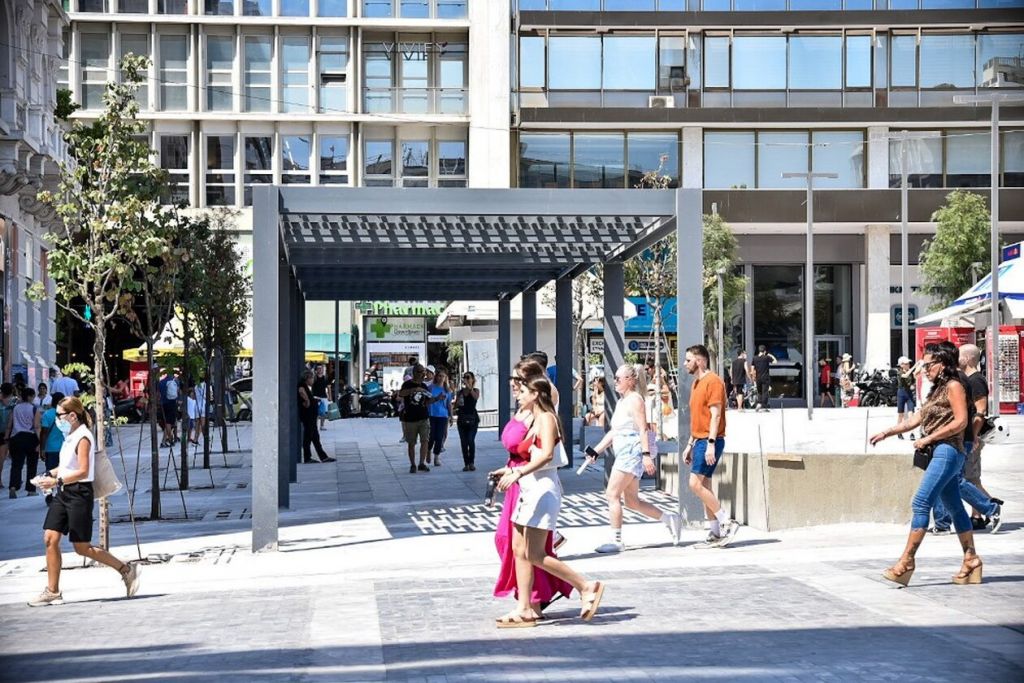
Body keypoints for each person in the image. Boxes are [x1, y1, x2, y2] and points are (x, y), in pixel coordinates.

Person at [491, 373, 605, 628]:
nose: (518, 395)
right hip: (528, 489)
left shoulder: (545, 418)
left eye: (523, 391)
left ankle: (585, 586)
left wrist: (517, 472)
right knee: (519, 550)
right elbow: (530, 456)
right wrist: (508, 470)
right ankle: (525, 608)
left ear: (535, 394)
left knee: (535, 553)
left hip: (541, 491)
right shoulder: (533, 418)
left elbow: (546, 456)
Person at [869, 343, 984, 587]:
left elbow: (961, 422)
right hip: (941, 451)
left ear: (942, 364)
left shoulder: (954, 386)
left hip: (948, 450)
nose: (924, 369)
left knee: (921, 502)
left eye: (928, 365)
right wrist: (887, 432)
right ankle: (971, 559)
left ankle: (906, 562)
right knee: (954, 507)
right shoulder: (937, 390)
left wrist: (929, 438)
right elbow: (915, 420)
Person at [27, 397, 140, 606]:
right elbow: (66, 466)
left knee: (82, 547)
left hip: (79, 494)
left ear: (72, 415)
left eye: (59, 415)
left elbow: (83, 471)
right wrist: (48, 475)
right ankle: (52, 591)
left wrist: (56, 481)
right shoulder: (70, 435)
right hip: (64, 492)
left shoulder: (83, 437)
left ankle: (126, 569)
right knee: (50, 538)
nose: (57, 419)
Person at [583, 364, 680, 553]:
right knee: (632, 501)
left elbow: (643, 429)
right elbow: (614, 432)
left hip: (631, 452)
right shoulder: (622, 401)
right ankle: (669, 519)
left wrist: (646, 455)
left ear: (630, 380)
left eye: (618, 379)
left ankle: (616, 540)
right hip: (625, 452)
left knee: (612, 494)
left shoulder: (635, 400)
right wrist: (596, 451)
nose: (614, 382)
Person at [931, 343, 1003, 534]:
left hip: (967, 438)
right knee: (954, 478)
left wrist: (974, 436)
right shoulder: (962, 379)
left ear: (968, 359)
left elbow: (980, 411)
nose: (956, 359)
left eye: (960, 356)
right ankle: (947, 521)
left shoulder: (975, 380)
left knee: (961, 478)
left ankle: (988, 509)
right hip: (960, 437)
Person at [682, 344, 739, 548]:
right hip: (700, 440)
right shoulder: (697, 383)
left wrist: (711, 444)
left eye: (688, 360)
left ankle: (726, 522)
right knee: (705, 486)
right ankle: (715, 532)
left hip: (709, 440)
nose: (685, 364)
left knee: (694, 484)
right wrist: (690, 444)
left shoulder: (713, 381)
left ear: (699, 361)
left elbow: (715, 416)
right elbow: (699, 418)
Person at [399, 365, 435, 473]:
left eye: (424, 372)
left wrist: (436, 399)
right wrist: (414, 389)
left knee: (425, 441)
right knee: (411, 443)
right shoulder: (407, 384)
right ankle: (413, 464)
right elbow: (401, 393)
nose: (423, 374)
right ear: (414, 373)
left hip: (423, 417)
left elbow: (427, 400)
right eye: (420, 372)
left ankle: (421, 463)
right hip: (410, 418)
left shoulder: (424, 385)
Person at [7, 387, 41, 498]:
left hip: (16, 437)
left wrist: (7, 437)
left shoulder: (15, 408)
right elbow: (36, 426)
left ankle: (13, 486)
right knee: (32, 465)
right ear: (31, 396)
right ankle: (31, 489)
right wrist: (40, 441)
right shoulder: (34, 409)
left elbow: (10, 424)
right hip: (30, 437)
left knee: (16, 464)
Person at [298, 370, 335, 464]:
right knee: (308, 436)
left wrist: (313, 400)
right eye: (312, 378)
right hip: (308, 415)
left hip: (310, 415)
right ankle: (308, 458)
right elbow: (301, 391)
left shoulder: (305, 386)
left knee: (314, 436)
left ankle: (322, 456)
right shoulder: (302, 385)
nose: (313, 381)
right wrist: (307, 401)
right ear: (307, 378)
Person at [427, 368, 453, 467]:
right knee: (431, 436)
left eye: (443, 376)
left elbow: (449, 404)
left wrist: (451, 416)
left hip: (443, 416)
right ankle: (428, 450)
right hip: (432, 415)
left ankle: (436, 457)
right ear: (436, 377)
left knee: (439, 437)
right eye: (439, 376)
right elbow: (427, 401)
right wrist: (437, 398)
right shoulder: (431, 388)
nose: (441, 378)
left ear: (446, 377)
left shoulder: (447, 390)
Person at [455, 371, 480, 471]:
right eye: (464, 377)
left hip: (473, 419)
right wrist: (457, 402)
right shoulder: (460, 392)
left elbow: (475, 397)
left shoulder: (475, 390)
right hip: (462, 419)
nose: (466, 379)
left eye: (468, 377)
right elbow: (456, 405)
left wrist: (469, 387)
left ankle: (471, 462)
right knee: (464, 442)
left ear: (473, 379)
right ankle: (466, 463)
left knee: (470, 440)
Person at [39, 392, 66, 472]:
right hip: (64, 448)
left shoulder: (47, 414)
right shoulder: (66, 414)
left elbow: (44, 433)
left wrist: (42, 449)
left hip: (50, 449)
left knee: (51, 473)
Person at [895, 356, 919, 439]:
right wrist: (914, 367)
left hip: (909, 393)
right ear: (902, 365)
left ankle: (912, 433)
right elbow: (905, 376)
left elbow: (913, 381)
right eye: (906, 364)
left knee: (911, 413)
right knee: (900, 415)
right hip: (901, 393)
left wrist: (913, 384)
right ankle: (898, 432)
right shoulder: (899, 372)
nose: (908, 365)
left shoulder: (910, 373)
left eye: (909, 363)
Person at [0, 382, 16, 490]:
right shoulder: (15, 402)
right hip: (11, 432)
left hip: (2, 432)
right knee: (4, 457)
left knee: (1, 458)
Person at [158, 369, 179, 447]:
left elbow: (158, 394)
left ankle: (165, 441)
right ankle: (170, 439)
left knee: (167, 422)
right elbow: (178, 392)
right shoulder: (175, 381)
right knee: (169, 423)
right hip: (172, 403)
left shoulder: (161, 382)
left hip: (164, 404)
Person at [751, 345, 776, 412]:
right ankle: (764, 406)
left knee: (759, 391)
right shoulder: (766, 357)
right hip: (765, 377)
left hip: (758, 378)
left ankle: (759, 403)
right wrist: (769, 354)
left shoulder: (755, 358)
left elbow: (752, 368)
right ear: (764, 351)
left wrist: (753, 377)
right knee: (765, 392)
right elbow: (775, 361)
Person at [312, 364, 331, 430]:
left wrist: (330, 397)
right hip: (315, 397)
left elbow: (329, 388)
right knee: (315, 413)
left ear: (323, 370)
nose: (320, 370)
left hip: (323, 397)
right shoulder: (314, 378)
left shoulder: (325, 378)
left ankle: (322, 426)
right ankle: (315, 426)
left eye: (321, 368)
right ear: (316, 370)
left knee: (323, 413)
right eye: (318, 368)